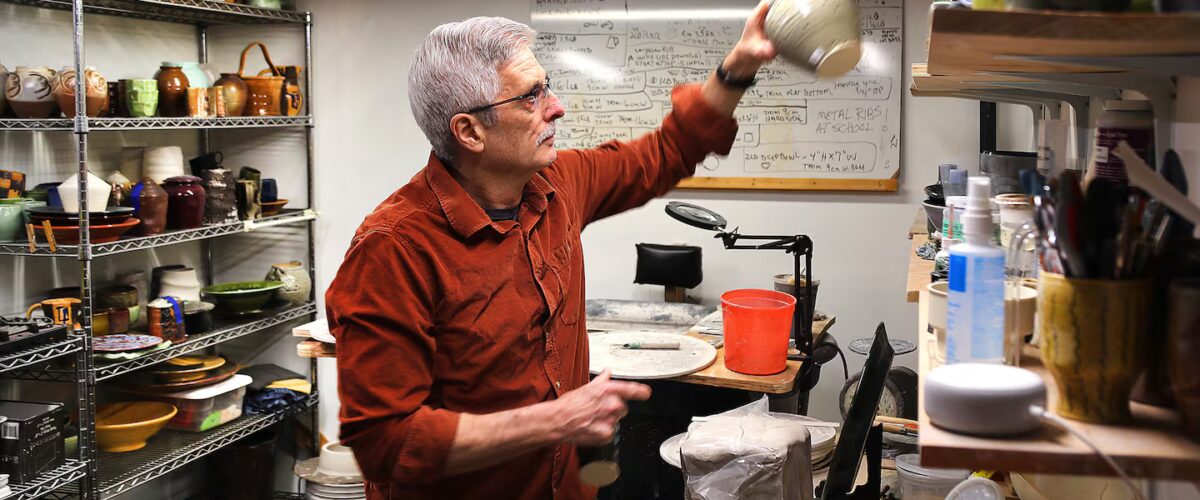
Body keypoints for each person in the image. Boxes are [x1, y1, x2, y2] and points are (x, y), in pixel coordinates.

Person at [325, 2, 777, 498]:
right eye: (530, 97)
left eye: (547, 85)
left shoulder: (555, 184)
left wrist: (738, 67)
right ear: (470, 132)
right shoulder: (393, 250)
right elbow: (384, 442)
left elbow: (667, 150)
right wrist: (556, 420)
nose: (556, 106)